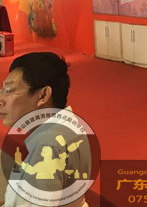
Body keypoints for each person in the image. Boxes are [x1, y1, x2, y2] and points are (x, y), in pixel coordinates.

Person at [0, 52, 90, 207]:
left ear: (43, 95)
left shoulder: (47, 148)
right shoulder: (70, 125)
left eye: (9, 90)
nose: (1, 100)